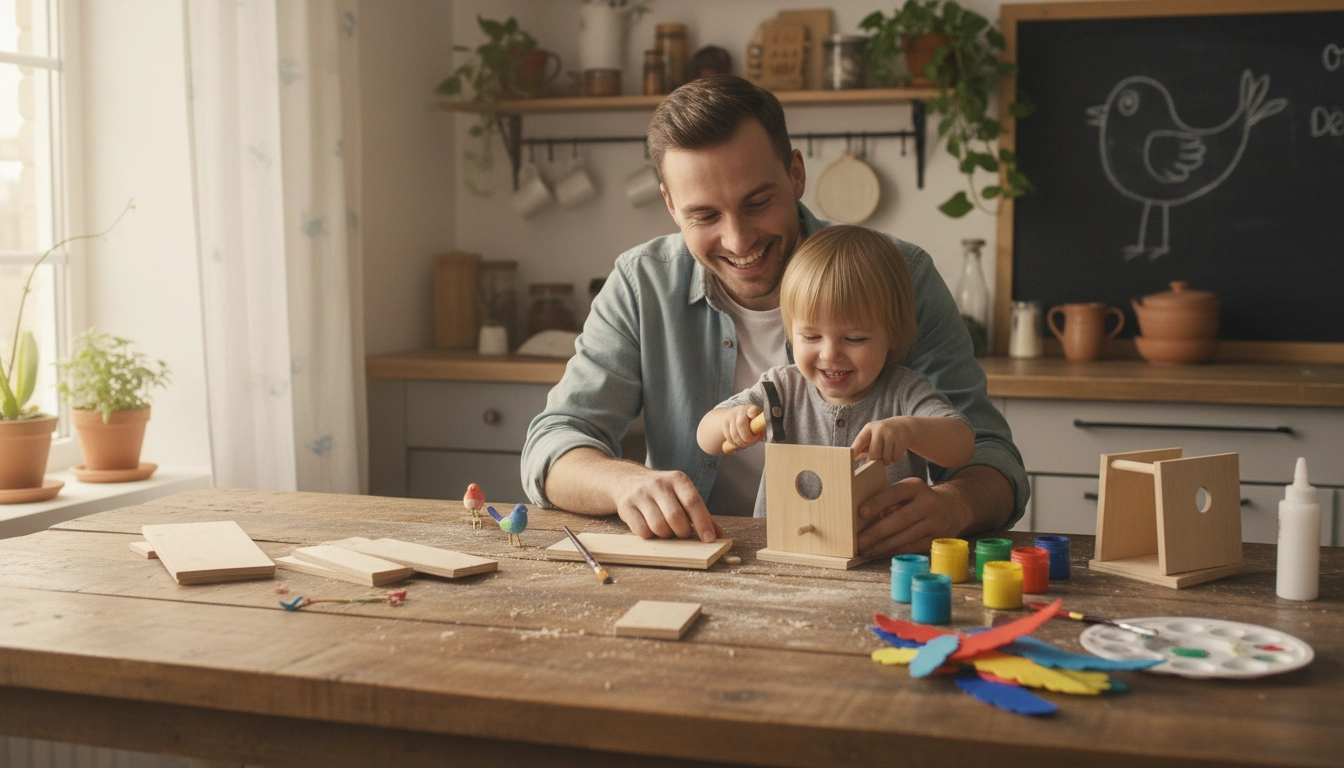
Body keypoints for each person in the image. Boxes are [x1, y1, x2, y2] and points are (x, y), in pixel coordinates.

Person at [521, 75, 1028, 557]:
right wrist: (623, 482)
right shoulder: (640, 282)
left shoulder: (901, 274)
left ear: (796, 174)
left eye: (757, 202)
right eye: (704, 216)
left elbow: (992, 457)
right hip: (699, 563)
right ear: (671, 206)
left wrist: (954, 506)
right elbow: (553, 443)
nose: (738, 241)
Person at [696, 225, 975, 521]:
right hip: (786, 548)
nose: (829, 354)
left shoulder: (904, 392)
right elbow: (706, 438)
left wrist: (909, 430)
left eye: (854, 339)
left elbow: (962, 446)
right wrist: (731, 422)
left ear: (892, 334)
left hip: (880, 554)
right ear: (791, 334)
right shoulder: (780, 389)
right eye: (811, 337)